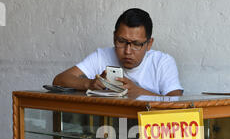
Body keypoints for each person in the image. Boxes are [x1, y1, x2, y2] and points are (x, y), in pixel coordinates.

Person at [53, 8, 183, 97]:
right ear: (114, 37)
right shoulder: (102, 56)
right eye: (121, 41)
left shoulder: (162, 62)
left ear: (149, 44)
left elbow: (176, 102)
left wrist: (138, 92)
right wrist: (89, 83)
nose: (127, 51)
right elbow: (59, 80)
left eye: (136, 44)